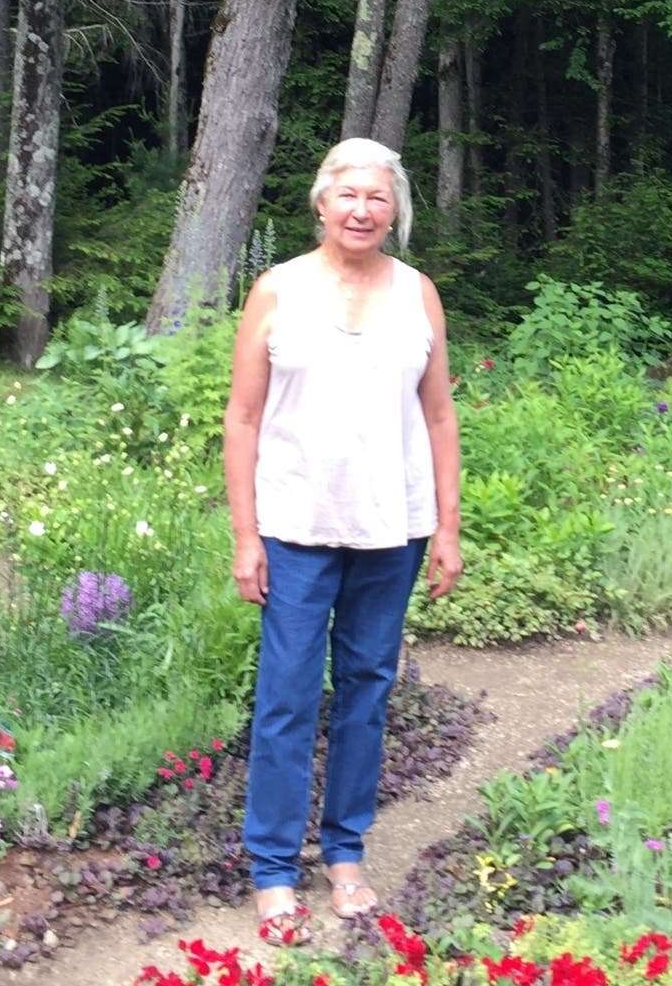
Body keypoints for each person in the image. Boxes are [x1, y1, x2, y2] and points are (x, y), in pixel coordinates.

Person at [223, 138, 462, 947]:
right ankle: (272, 868)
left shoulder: (417, 294)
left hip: (391, 527)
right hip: (294, 526)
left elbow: (437, 416)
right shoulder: (278, 289)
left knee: (366, 688)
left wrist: (449, 528)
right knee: (287, 695)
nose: (362, 209)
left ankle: (346, 852)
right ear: (321, 203)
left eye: (378, 198)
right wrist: (245, 535)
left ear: (394, 212)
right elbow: (244, 417)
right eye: (348, 195)